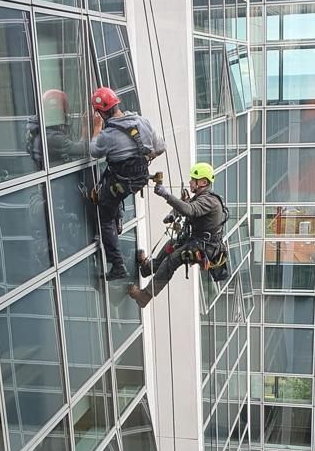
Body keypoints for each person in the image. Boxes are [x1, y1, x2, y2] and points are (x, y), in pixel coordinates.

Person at [89, 87, 166, 281]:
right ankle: (119, 220)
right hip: (139, 179)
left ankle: (117, 265)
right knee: (114, 198)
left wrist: (96, 129)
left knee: (105, 217)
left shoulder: (108, 134)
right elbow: (161, 147)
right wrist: (146, 156)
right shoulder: (142, 121)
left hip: (120, 183)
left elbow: (94, 151)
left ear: (101, 113)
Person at [127, 162, 226, 308]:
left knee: (172, 260)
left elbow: (190, 210)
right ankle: (147, 268)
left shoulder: (209, 201)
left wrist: (166, 195)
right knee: (171, 244)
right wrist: (173, 214)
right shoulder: (201, 197)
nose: (190, 182)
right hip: (197, 241)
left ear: (203, 182)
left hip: (205, 247)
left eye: (193, 180)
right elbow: (187, 205)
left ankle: (145, 296)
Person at [25, 89, 87, 170]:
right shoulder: (52, 137)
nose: (66, 116)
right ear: (56, 113)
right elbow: (83, 150)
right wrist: (88, 127)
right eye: (63, 113)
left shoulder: (35, 129)